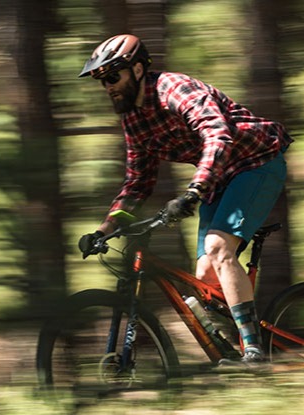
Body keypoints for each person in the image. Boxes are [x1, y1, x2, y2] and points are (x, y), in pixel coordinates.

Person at [76, 34, 292, 365]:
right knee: (205, 279)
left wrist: (194, 191)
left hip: (256, 162)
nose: (107, 86)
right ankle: (238, 345)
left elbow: (217, 135)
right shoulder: (133, 120)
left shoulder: (174, 89)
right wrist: (104, 230)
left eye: (111, 76)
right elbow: (138, 182)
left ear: (136, 70)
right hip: (218, 178)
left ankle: (253, 352)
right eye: (101, 81)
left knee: (220, 249)